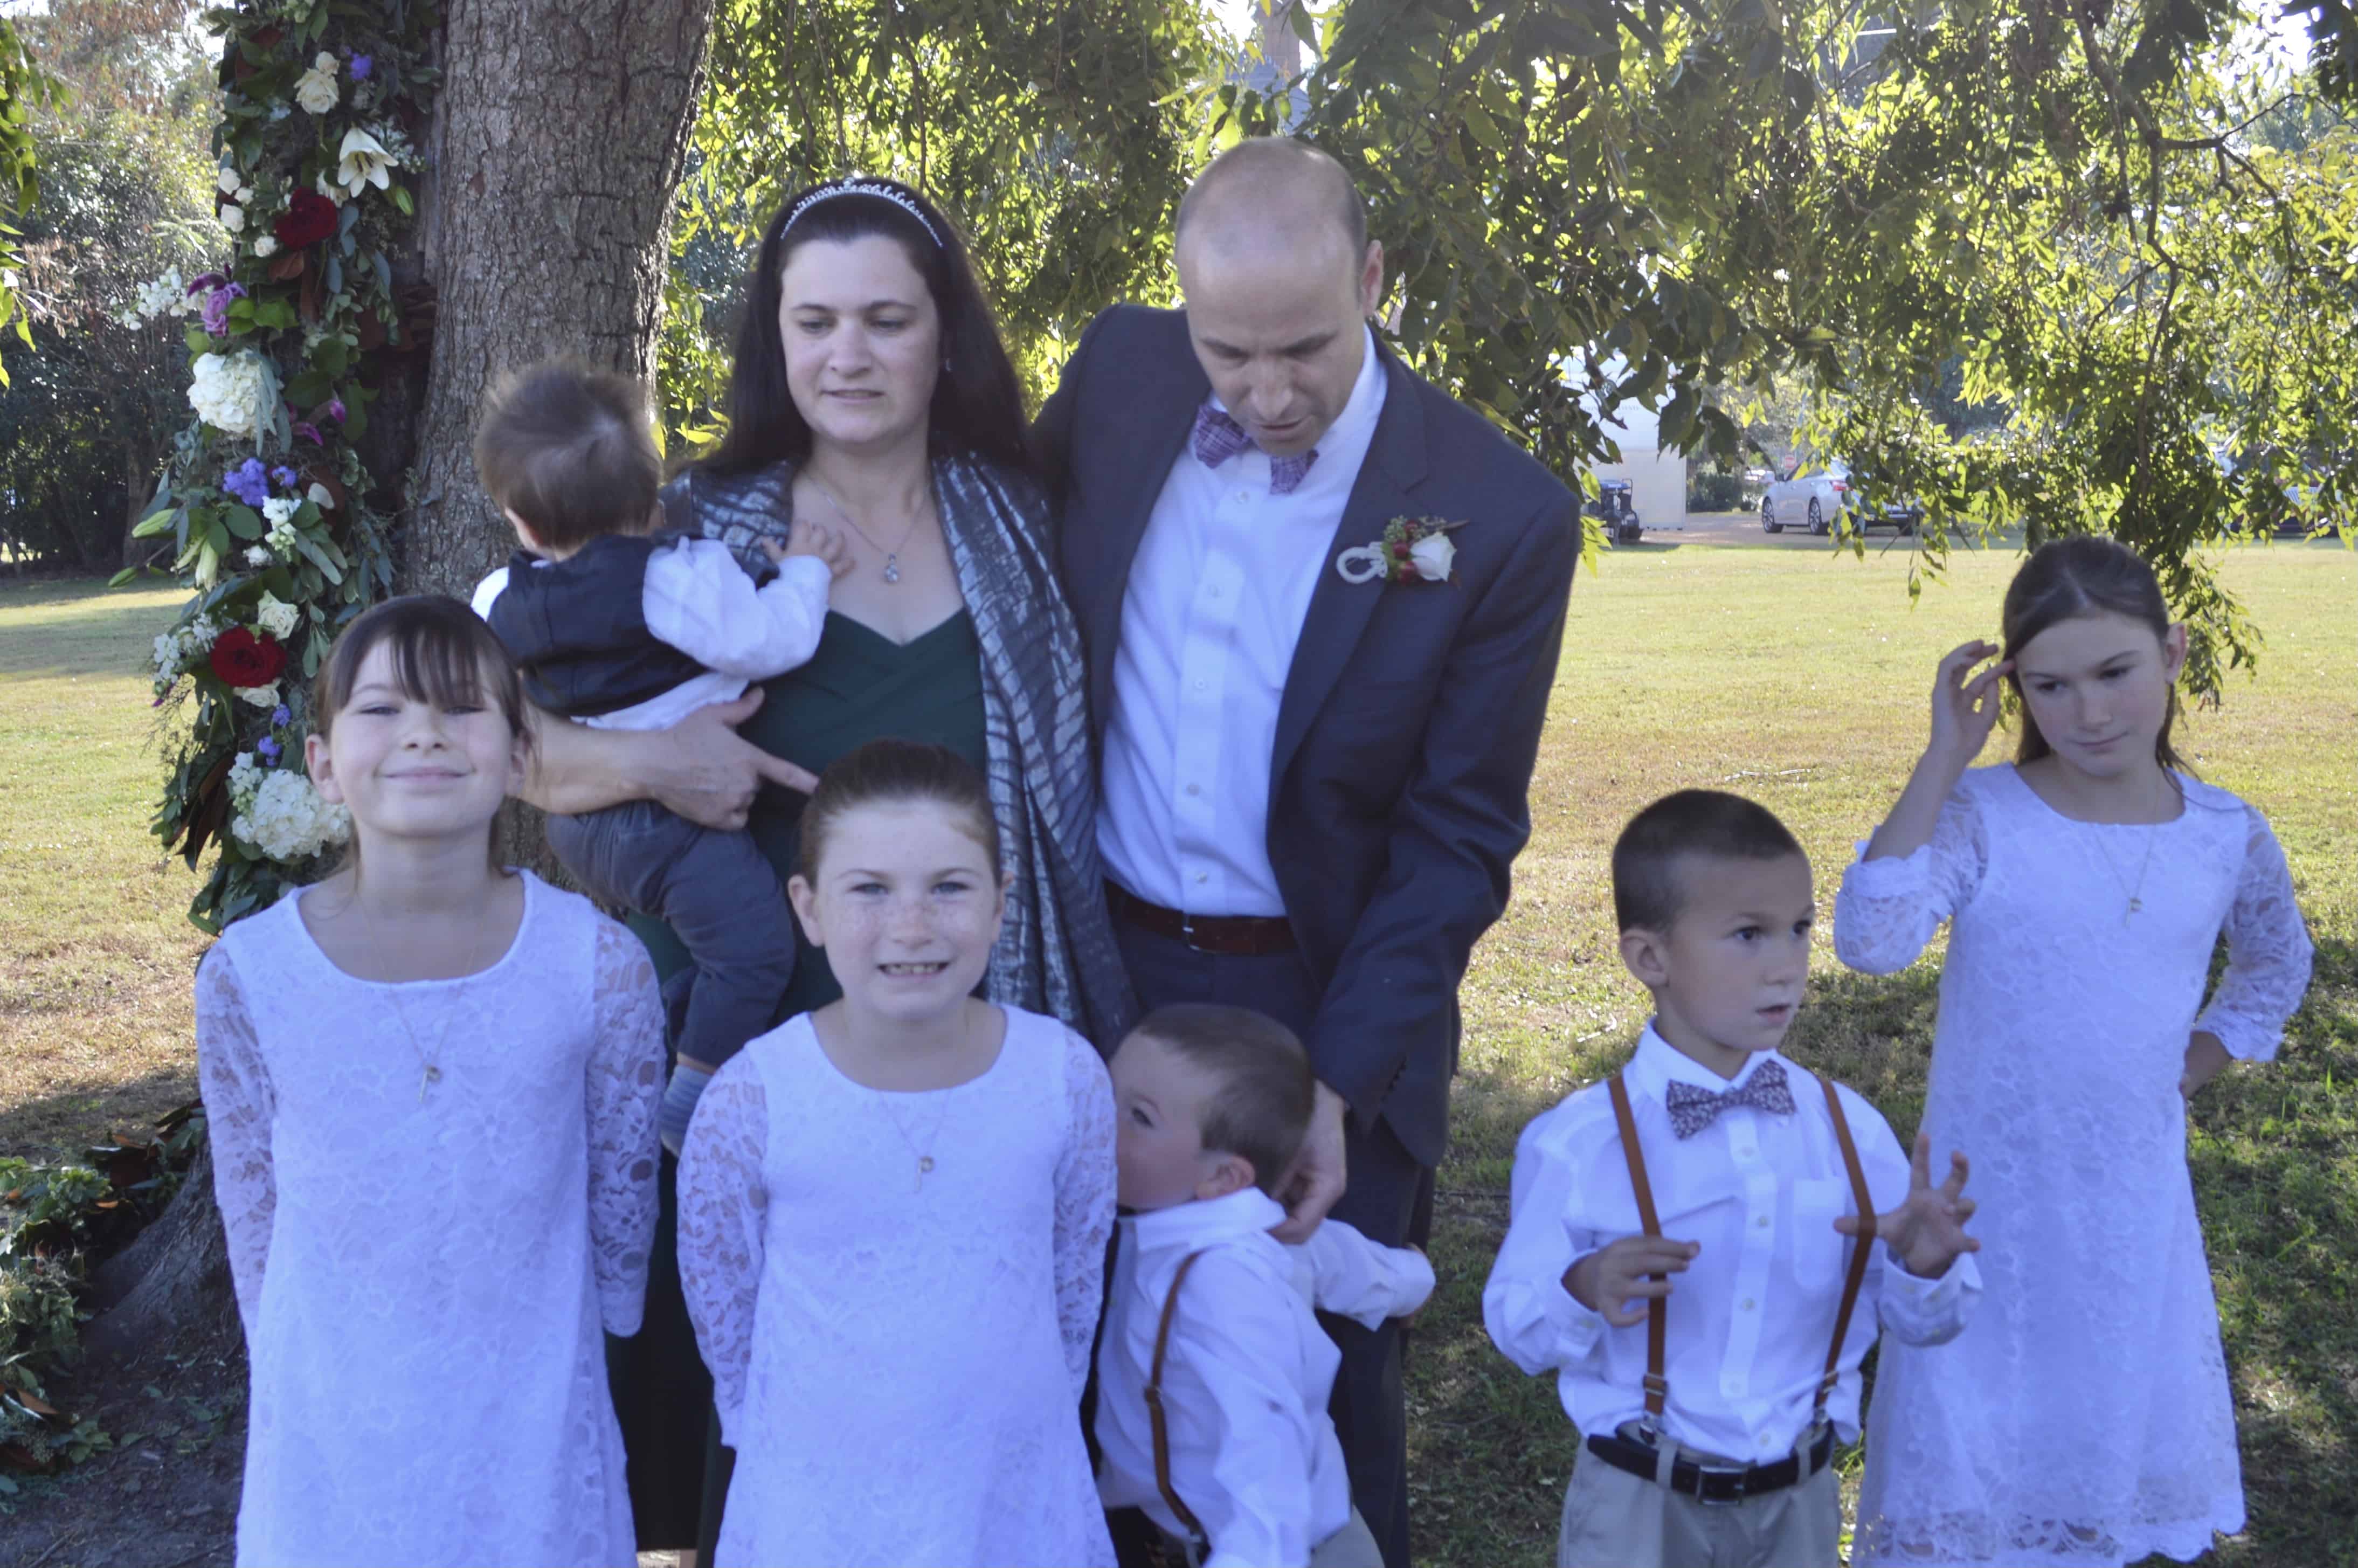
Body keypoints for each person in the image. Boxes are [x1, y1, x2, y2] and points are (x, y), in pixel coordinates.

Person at [520, 175, 1134, 1554]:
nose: (847, 355)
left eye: (885, 320)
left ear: (945, 339)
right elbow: (522, 751)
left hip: (969, 994)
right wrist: (658, 764)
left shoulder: (1025, 519)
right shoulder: (691, 528)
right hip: (750, 1002)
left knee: (966, 1359)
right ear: (775, 341)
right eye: (815, 322)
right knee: (762, 1369)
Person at [1037, 134, 1579, 1564]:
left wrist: (1337, 1078)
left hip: (1322, 1004)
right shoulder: (1115, 375)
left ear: (1373, 281)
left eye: (1304, 350)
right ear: (1175, 311)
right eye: (1229, 352)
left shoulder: (1494, 508)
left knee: (1311, 1406)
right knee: (1104, 1377)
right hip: (1102, 979)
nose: (1266, 393)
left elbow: (1457, 834)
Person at [1834, 535, 2315, 1567]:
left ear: (2174, 652)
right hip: (1984, 1196)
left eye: (2113, 672)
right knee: (1973, 1459)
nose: (2089, 712)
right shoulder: (1983, 817)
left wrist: (2193, 1060)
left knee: (2098, 1451)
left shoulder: (2225, 833)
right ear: (2014, 688)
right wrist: (1940, 761)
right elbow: (1872, 943)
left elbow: (2276, 960)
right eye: (2050, 685)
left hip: (2127, 1207)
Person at [196, 595, 665, 1567]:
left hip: (531, 1419)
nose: (423, 732)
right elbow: (256, 1206)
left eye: (461, 708)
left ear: (520, 753)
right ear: (323, 764)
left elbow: (620, 1195)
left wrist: (601, 1321)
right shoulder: (253, 976)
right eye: (382, 709)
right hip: (335, 1425)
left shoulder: (596, 963)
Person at [1484, 789, 1984, 1568]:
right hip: (1636, 1505)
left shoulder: (1848, 1132)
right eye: (1747, 934)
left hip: (1799, 1503)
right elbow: (1517, 1325)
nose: (1785, 962)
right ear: (1650, 958)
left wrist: (1925, 1268)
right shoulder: (1578, 1144)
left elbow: (1924, 1326)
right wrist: (1578, 1286)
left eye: (1797, 929)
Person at [675, 739, 1117, 1566]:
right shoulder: (754, 1099)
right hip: (817, 1504)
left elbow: (1070, 1286)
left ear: (999, 904)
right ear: (807, 908)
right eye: (869, 890)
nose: (910, 926)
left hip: (1007, 1497)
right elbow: (726, 1312)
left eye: (949, 888)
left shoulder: (1062, 1079)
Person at [469, 361, 849, 1152]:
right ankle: (691, 1097)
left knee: (697, 950)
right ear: (653, 500)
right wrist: (804, 571)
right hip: (669, 828)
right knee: (754, 953)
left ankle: (675, 1013)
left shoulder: (494, 602)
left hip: (582, 827)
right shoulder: (673, 580)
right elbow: (768, 639)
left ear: (525, 526)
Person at [1095, 1003, 1435, 1568]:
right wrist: (1411, 1281)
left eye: (1139, 1116)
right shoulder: (1247, 1227)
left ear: (1222, 1176)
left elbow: (1267, 1459)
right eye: (1106, 1091)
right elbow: (1335, 1259)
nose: (1101, 1119)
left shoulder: (1222, 1287)